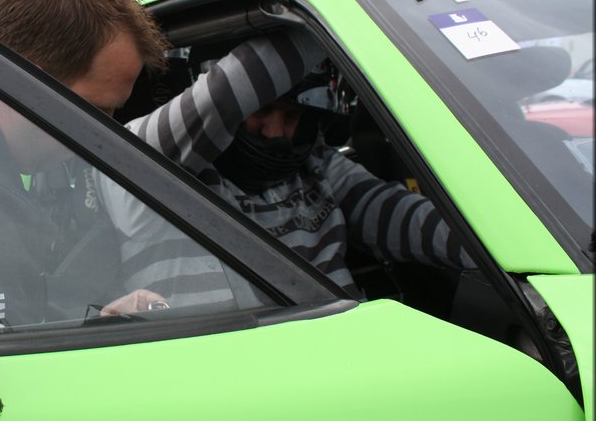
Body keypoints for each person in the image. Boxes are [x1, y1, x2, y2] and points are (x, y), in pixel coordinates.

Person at [0, 0, 319, 328]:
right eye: (98, 108)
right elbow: (3, 378)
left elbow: (17, 328)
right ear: (23, 80)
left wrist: (95, 323)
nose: (104, 129)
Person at [103, 47, 477, 300]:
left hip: (349, 357)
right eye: (261, 111)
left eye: (291, 116)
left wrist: (494, 249)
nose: (275, 132)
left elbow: (407, 219)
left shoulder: (316, 165)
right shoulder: (146, 160)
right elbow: (225, 92)